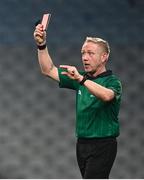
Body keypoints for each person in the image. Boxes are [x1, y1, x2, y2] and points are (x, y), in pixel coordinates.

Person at [33, 23, 122, 179]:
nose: (85, 57)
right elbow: (48, 69)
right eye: (83, 53)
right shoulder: (79, 77)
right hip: (82, 144)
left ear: (104, 57)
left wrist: (81, 80)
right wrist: (41, 45)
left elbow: (107, 96)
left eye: (90, 53)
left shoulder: (112, 82)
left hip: (103, 144)